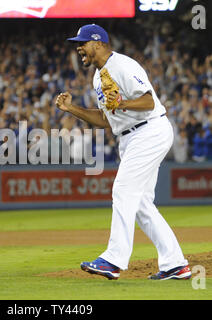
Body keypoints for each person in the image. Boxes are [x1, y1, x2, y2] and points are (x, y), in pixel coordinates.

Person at [56, 24, 190, 280]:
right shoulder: (98, 76)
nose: (79, 48)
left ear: (98, 43)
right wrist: (72, 109)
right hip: (131, 136)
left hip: (149, 130)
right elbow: (107, 119)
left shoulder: (122, 65)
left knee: (123, 190)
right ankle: (175, 263)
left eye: (82, 43)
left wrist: (123, 102)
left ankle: (114, 260)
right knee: (140, 203)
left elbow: (149, 101)